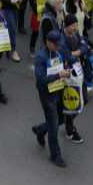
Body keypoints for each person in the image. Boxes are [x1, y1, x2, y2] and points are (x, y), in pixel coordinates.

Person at [31, 30, 70, 168]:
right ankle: (55, 154)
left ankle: (41, 129)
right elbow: (41, 80)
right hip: (47, 94)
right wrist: (59, 75)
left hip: (58, 90)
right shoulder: (40, 57)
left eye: (59, 44)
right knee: (53, 125)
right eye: (55, 45)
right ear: (48, 42)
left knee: (61, 119)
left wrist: (67, 70)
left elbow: (66, 62)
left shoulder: (58, 52)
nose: (58, 47)